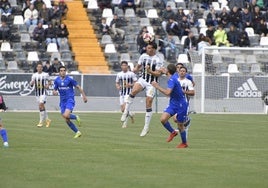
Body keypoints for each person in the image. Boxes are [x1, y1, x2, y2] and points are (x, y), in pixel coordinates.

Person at [120, 42, 164, 136]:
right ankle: (125, 112)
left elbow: (158, 74)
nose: (147, 49)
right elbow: (138, 67)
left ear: (153, 49)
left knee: (148, 103)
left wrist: (150, 71)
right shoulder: (143, 56)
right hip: (143, 79)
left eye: (149, 48)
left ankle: (146, 127)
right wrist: (134, 70)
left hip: (152, 83)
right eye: (147, 48)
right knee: (134, 91)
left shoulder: (158, 60)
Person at [151, 64, 189, 148]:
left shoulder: (172, 80)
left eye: (165, 69)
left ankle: (184, 143)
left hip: (181, 104)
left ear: (168, 71)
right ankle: (173, 132)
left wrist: (157, 86)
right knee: (163, 119)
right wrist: (162, 70)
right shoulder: (173, 75)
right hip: (173, 103)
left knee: (180, 125)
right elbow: (169, 71)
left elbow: (168, 93)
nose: (164, 69)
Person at [53, 66, 88, 138]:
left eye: (64, 70)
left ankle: (76, 117)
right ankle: (77, 132)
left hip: (70, 100)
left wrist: (84, 96)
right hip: (62, 102)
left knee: (66, 115)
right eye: (61, 70)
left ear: (65, 72)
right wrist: (54, 92)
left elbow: (78, 87)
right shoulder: (57, 80)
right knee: (66, 119)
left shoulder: (69, 79)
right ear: (59, 72)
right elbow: (54, 89)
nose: (62, 72)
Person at [115, 61, 137, 128]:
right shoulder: (119, 74)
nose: (124, 66)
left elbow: (136, 82)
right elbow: (117, 82)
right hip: (122, 93)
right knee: (122, 109)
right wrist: (118, 86)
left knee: (125, 108)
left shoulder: (131, 74)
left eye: (125, 65)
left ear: (127, 66)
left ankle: (124, 124)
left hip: (129, 93)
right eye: (123, 65)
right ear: (121, 66)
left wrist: (130, 85)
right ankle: (131, 114)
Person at [30, 62, 52, 127]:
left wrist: (48, 85)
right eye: (38, 67)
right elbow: (31, 85)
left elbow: (50, 81)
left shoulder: (45, 74)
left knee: (40, 105)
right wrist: (31, 83)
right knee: (42, 107)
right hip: (37, 93)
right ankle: (48, 120)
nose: (39, 68)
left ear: (42, 68)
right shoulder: (34, 75)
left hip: (43, 93)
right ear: (36, 68)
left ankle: (41, 122)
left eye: (41, 67)